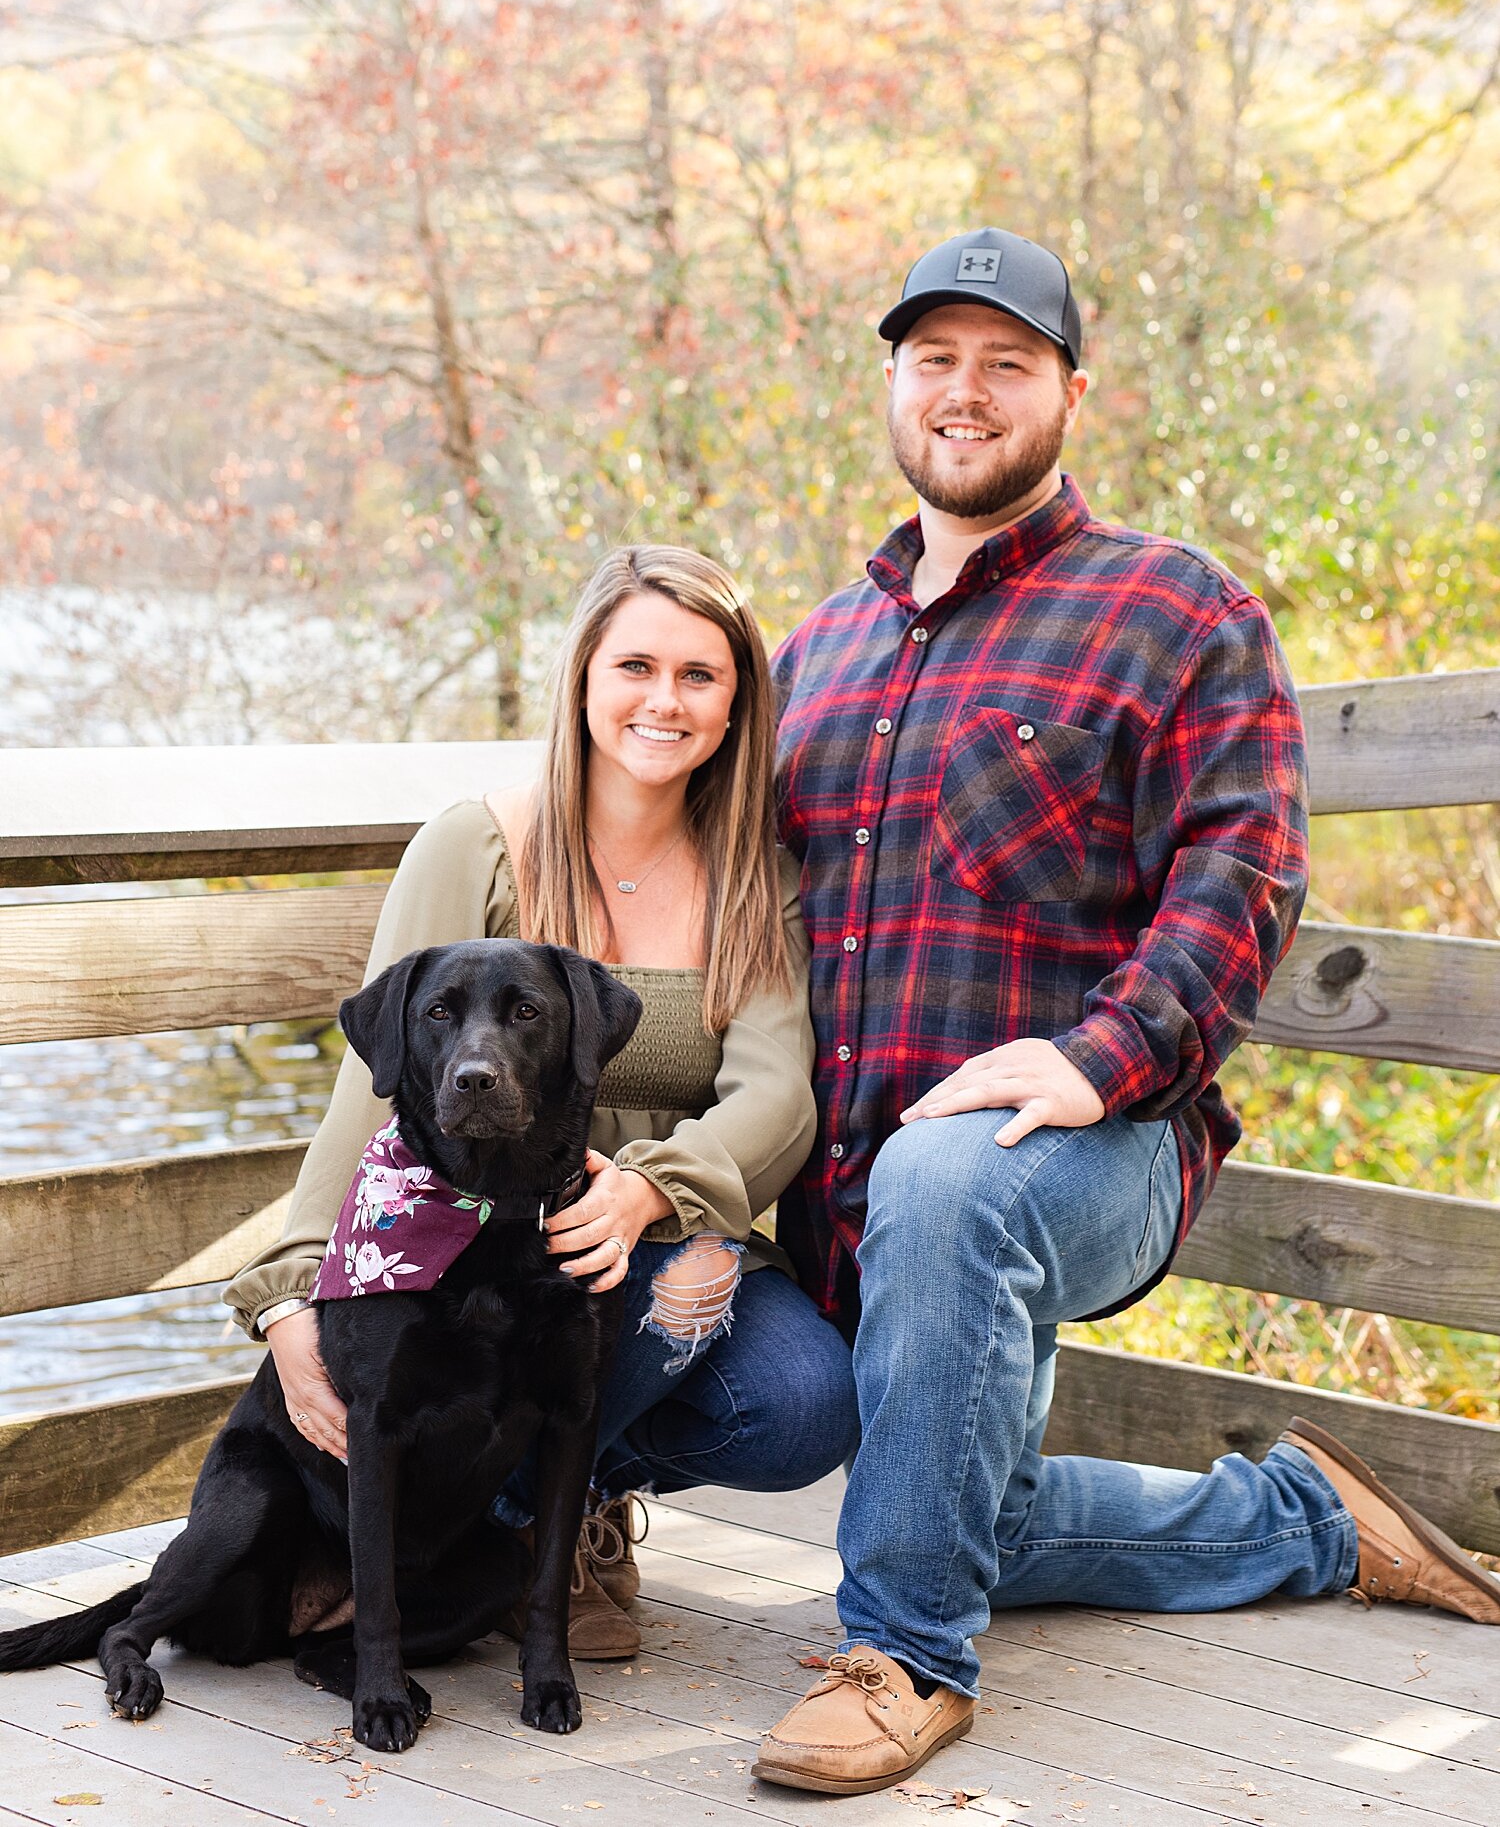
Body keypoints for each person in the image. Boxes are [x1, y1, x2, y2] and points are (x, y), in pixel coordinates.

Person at [753, 226, 1500, 1799]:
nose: (967, 392)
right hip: (859, 1195)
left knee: (944, 1184)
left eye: (1007, 362)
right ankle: (1307, 1521)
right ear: (890, 379)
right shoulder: (812, 651)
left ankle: (903, 1651)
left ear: (1071, 391)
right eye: (935, 358)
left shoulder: (1174, 606)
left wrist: (1104, 1059)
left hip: (1096, 1146)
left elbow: (1249, 866)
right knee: (980, 1507)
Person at [225, 544, 859, 1661]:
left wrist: (656, 1200)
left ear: (736, 706)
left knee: (804, 1399)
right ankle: (511, 1536)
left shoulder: (759, 878)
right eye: (635, 666)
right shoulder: (477, 841)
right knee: (520, 1319)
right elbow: (365, 1092)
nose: (664, 700)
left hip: (636, 1242)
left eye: (700, 676)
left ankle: (555, 1509)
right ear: (582, 681)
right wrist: (288, 1292)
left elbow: (776, 1100)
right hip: (457, 1253)